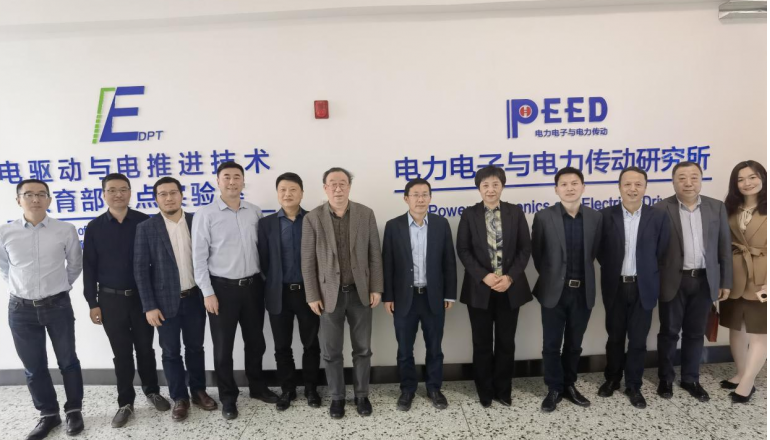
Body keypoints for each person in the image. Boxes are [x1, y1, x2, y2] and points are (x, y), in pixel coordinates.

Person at [192, 162, 279, 420]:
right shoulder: (205, 214)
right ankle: (228, 397)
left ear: (243, 181)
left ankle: (257, 387)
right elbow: (198, 258)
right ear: (218, 181)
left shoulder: (254, 211)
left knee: (256, 342)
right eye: (227, 177)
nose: (232, 181)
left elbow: (263, 250)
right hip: (221, 290)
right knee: (223, 348)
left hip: (253, 287)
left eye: (237, 177)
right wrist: (207, 292)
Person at [83, 173, 170, 428]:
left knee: (145, 349)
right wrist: (92, 302)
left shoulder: (145, 222)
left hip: (143, 299)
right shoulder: (95, 227)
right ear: (103, 194)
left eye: (123, 189)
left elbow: (157, 264)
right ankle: (125, 402)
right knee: (121, 353)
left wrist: (155, 300)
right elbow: (89, 267)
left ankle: (152, 391)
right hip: (110, 300)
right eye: (112, 190)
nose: (118, 194)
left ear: (130, 192)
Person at [0, 179, 84, 439]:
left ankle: (74, 410)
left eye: (41, 194)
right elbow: (4, 267)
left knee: (68, 361)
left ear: (49, 199)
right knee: (34, 366)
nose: (35, 199)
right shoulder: (5, 232)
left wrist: (59, 287)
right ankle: (48, 414)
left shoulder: (65, 230)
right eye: (28, 194)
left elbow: (75, 264)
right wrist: (21, 288)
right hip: (20, 309)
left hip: (57, 305)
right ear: (18, 200)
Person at [301, 167, 384, 419]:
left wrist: (376, 287)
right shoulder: (313, 218)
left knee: (363, 349)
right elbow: (308, 261)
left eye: (343, 183)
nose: (338, 188)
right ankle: (337, 397)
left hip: (360, 294)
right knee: (331, 352)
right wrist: (312, 295)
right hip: (329, 296)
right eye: (332, 184)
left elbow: (374, 254)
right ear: (325, 188)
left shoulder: (365, 214)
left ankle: (362, 395)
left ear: (349, 186)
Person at [134, 177, 218, 422]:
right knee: (170, 352)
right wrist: (149, 306)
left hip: (194, 298)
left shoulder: (196, 221)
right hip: (163, 303)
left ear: (181, 195)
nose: (169, 198)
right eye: (163, 194)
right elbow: (140, 270)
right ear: (156, 199)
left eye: (173, 192)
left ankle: (198, 391)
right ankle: (179, 397)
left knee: (196, 348)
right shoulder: (146, 228)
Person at [654, 161, 733, 402]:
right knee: (669, 332)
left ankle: (690, 379)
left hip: (704, 281)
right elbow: (653, 251)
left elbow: (724, 247)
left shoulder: (716, 207)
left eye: (694, 177)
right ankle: (665, 379)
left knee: (696, 333)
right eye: (682, 178)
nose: (688, 183)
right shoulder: (660, 208)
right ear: (673, 181)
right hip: (672, 281)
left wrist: (725, 281)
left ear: (700, 179)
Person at [456, 166, 532, 408]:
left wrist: (509, 277)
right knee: (482, 343)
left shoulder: (515, 212)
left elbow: (525, 249)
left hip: (509, 288)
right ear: (479, 188)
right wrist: (484, 276)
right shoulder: (469, 214)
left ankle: (503, 389)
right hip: (480, 289)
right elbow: (463, 250)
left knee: (506, 342)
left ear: (502, 186)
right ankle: (485, 390)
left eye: (495, 184)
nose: (490, 189)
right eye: (485, 185)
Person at [596, 167, 670, 409]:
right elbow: (600, 251)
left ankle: (634, 385)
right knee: (615, 337)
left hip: (644, 286)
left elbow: (662, 251)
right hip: (615, 286)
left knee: (638, 340)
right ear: (619, 187)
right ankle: (612, 379)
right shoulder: (605, 216)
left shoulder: (658, 216)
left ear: (645, 187)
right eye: (627, 184)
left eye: (638, 184)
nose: (632, 189)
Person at [383, 178, 458, 412]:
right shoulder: (393, 226)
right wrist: (388, 296)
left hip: (432, 297)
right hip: (404, 299)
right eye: (415, 194)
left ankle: (434, 388)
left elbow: (449, 261)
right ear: (406, 198)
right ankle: (407, 389)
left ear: (430, 198)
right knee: (405, 349)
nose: (420, 199)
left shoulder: (440, 224)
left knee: (434, 347)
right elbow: (387, 263)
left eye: (425, 194)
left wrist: (449, 294)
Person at [532, 167, 602, 413]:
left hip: (582, 291)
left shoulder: (595, 218)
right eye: (564, 184)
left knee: (574, 344)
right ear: (556, 189)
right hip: (554, 291)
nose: (569, 188)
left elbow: (595, 253)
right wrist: (554, 278)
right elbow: (538, 255)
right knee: (551, 344)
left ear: (583, 187)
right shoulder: (543, 217)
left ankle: (569, 385)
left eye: (574, 183)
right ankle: (554, 387)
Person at [257, 173, 322, 411]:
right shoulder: (266, 224)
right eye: (283, 189)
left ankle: (311, 388)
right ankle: (288, 389)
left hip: (309, 293)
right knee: (282, 346)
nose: (287, 194)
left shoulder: (314, 219)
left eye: (293, 189)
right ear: (277, 194)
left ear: (302, 193)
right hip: (279, 294)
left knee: (311, 344)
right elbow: (263, 260)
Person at [719, 161, 767, 404]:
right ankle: (740, 373)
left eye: (752, 177)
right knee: (735, 328)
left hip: (762, 277)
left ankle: (747, 383)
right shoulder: (729, 208)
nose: (747, 183)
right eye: (741, 179)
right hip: (733, 276)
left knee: (759, 332)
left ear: (763, 178)